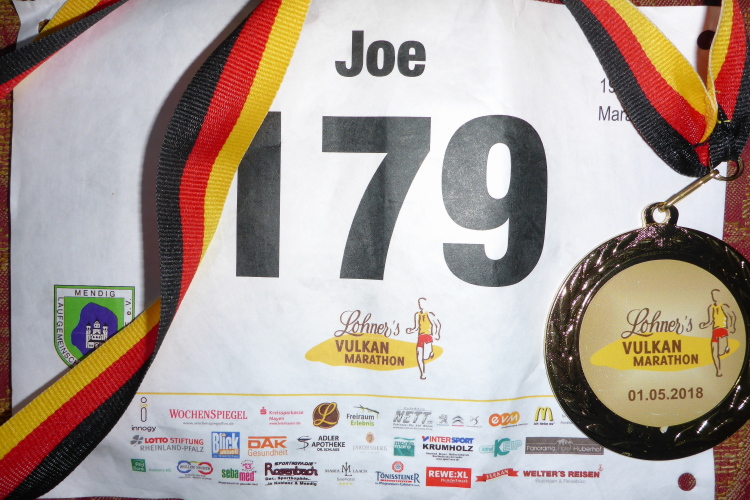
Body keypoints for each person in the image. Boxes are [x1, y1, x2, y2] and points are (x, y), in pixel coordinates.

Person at [699, 289, 736, 377]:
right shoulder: (711, 308)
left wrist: (732, 326)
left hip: (722, 330)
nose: (714, 296)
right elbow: (710, 321)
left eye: (715, 295)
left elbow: (733, 316)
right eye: (713, 295)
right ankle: (718, 371)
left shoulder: (724, 306)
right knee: (714, 353)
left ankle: (726, 348)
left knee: (721, 352)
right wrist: (704, 325)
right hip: (715, 331)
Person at [405, 298, 441, 380]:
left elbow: (438, 324)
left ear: (425, 304)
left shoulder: (429, 314)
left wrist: (437, 334)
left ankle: (430, 353)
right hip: (420, 337)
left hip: (428, 336)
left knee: (425, 357)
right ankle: (422, 373)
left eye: (422, 303)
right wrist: (410, 330)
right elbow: (416, 327)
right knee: (419, 357)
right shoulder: (417, 315)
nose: (420, 304)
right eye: (419, 303)